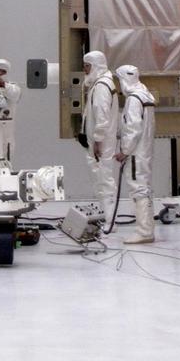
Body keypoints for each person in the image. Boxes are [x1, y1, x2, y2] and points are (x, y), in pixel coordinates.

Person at [114, 63, 156, 244]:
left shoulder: (133, 100)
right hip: (144, 150)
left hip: (136, 152)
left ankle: (144, 232)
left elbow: (133, 129)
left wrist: (124, 150)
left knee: (139, 189)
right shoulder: (146, 97)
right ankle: (147, 229)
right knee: (144, 187)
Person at [83, 50, 120, 229]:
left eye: (87, 66)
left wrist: (97, 140)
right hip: (100, 141)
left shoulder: (102, 86)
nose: (85, 70)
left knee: (104, 179)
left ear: (96, 66)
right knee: (101, 178)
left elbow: (101, 114)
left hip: (102, 142)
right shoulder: (101, 84)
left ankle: (110, 220)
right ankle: (107, 217)